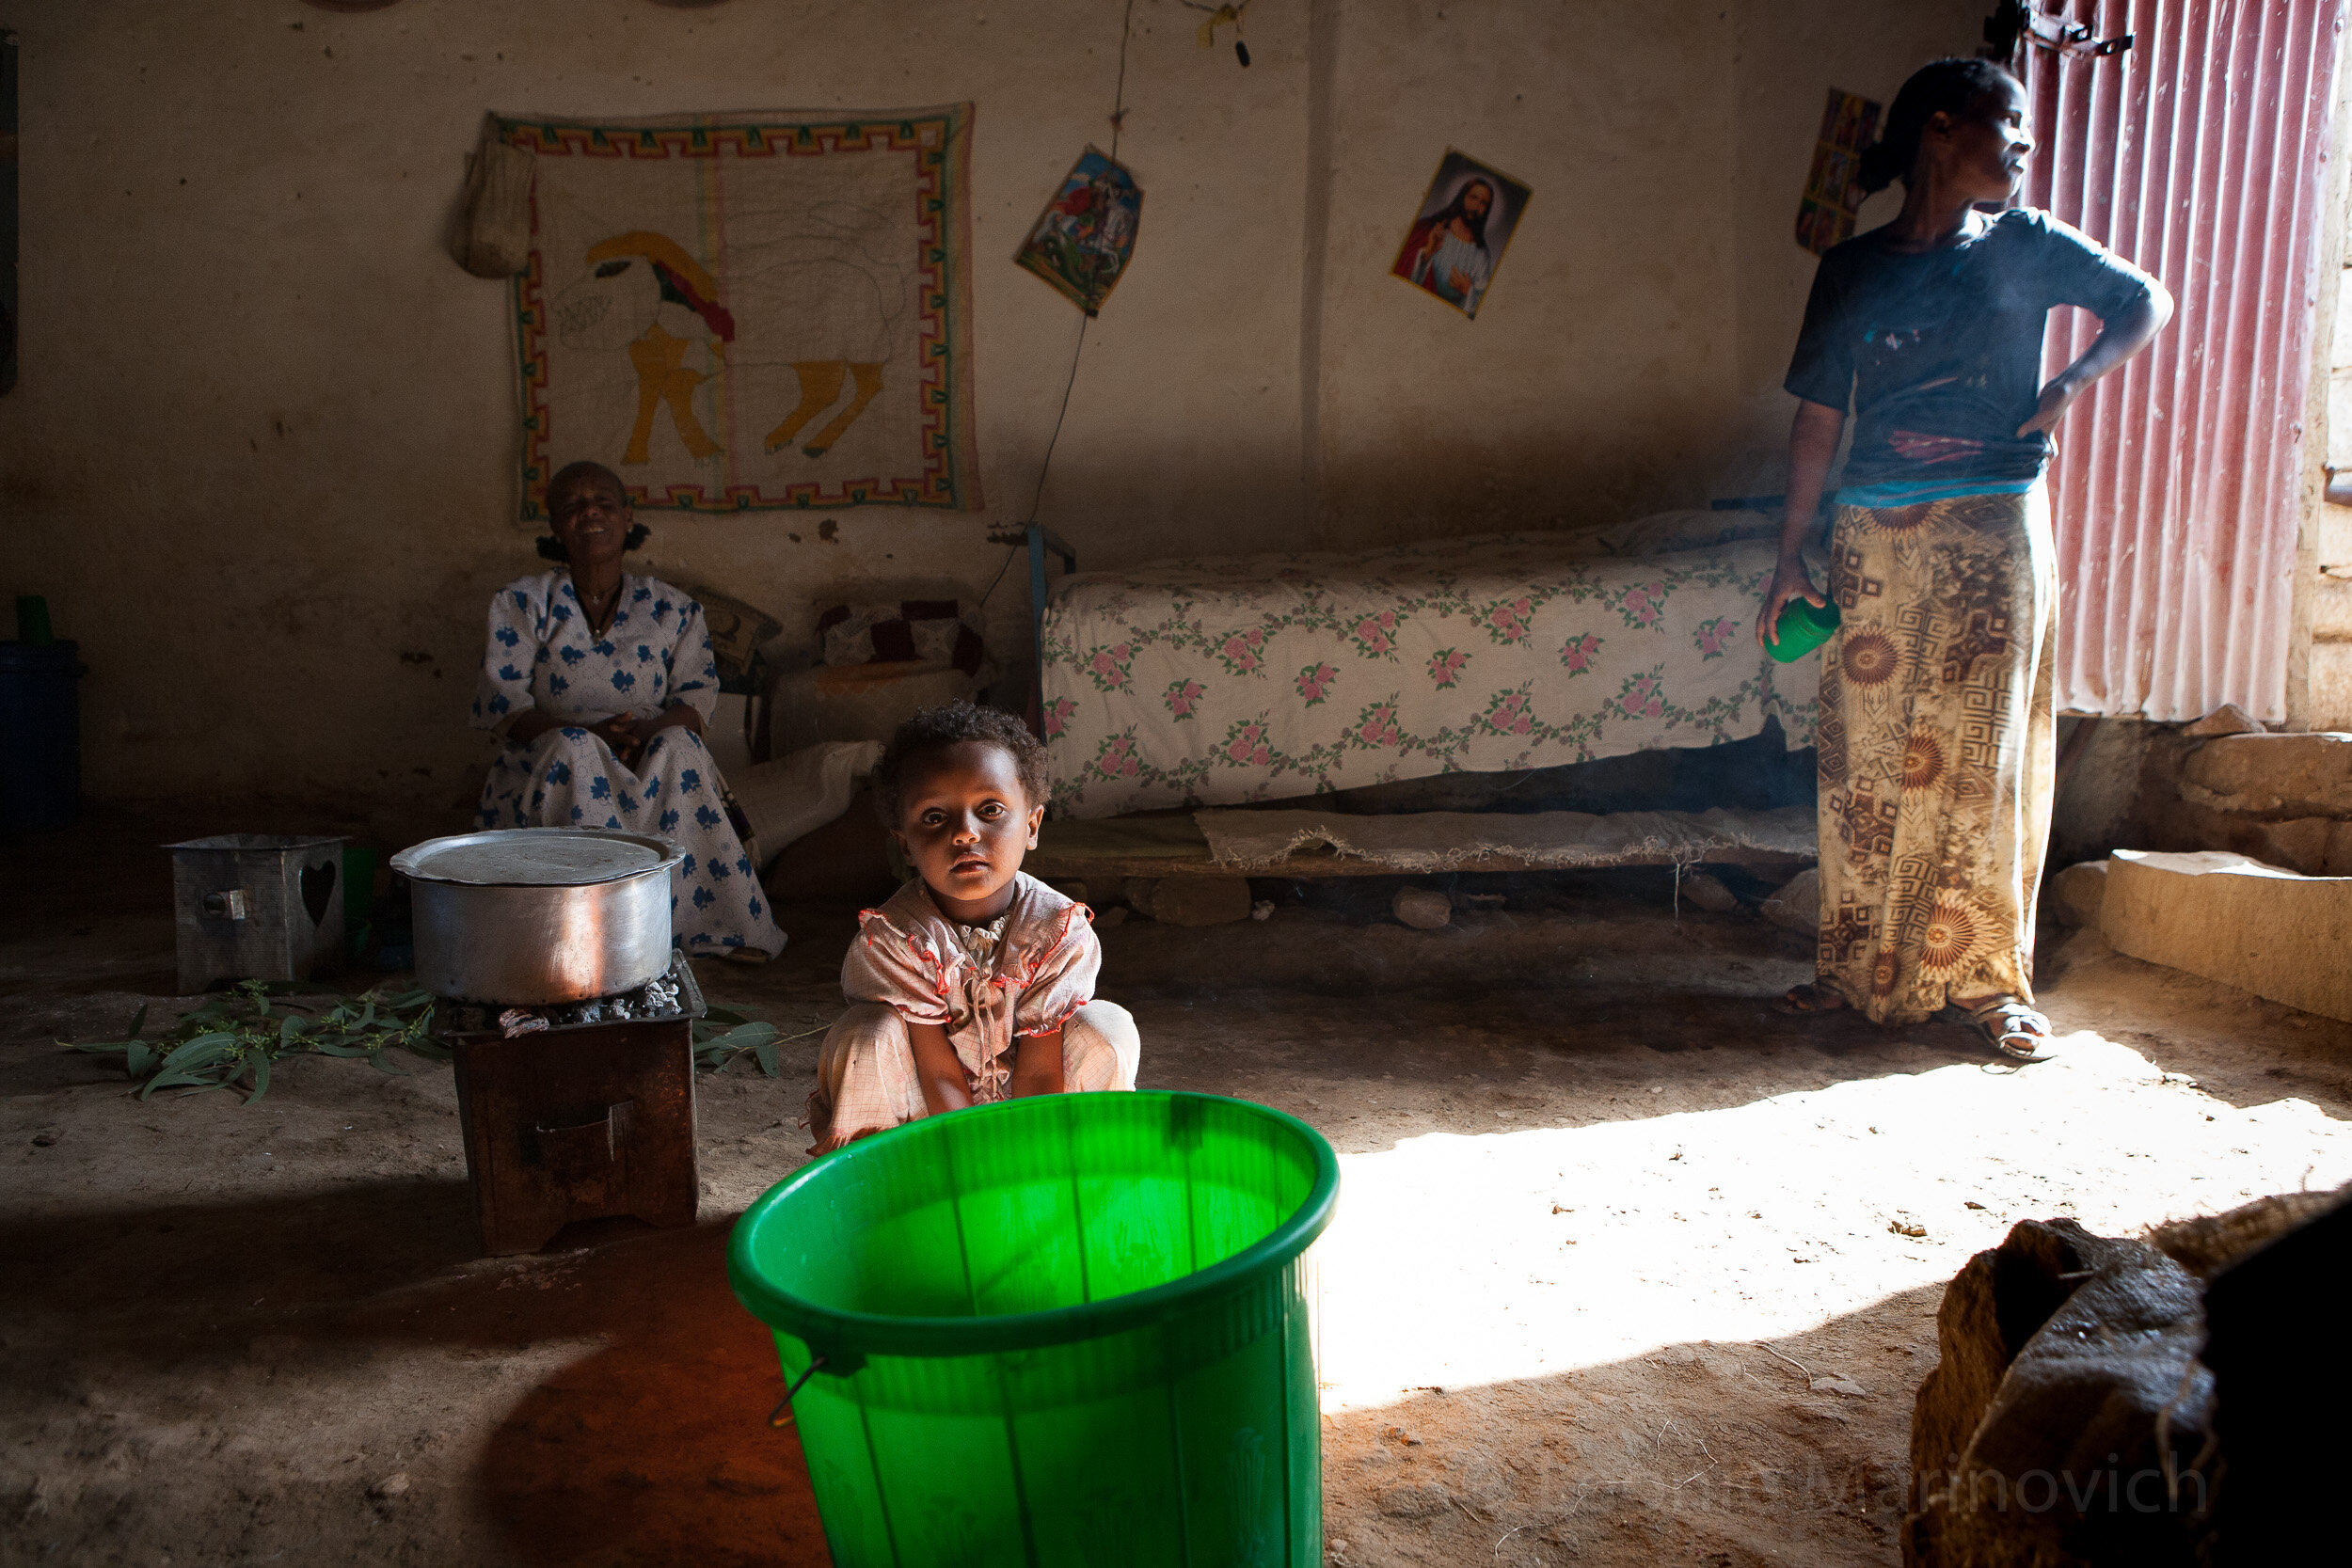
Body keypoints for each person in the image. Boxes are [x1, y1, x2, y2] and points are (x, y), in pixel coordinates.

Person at [1756, 57, 2171, 1058]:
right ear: (1942, 130)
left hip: (1994, 524)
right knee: (1867, 754)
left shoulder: (2025, 245)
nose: (2024, 151)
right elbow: (1819, 417)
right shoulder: (1852, 268)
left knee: (1982, 756)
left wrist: (2069, 384)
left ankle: (1988, 983)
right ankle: (1852, 968)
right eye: (2009, 130)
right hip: (1873, 530)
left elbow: (2142, 299)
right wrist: (1788, 554)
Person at [470, 459, 786, 960]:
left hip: (650, 754)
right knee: (575, 749)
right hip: (555, 756)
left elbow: (697, 703)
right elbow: (504, 705)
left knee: (681, 746)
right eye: (572, 506)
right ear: (554, 525)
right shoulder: (522, 602)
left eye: (603, 503)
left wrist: (645, 730)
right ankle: (588, 937)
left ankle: (711, 931)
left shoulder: (674, 608)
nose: (590, 513)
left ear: (627, 517)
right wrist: (589, 733)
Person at [806, 702, 1140, 1154]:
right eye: (934, 817)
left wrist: (1020, 1168)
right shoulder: (894, 939)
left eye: (990, 809)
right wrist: (972, 1162)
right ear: (904, 845)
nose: (965, 833)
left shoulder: (1059, 931)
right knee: (866, 1032)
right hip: (924, 1119)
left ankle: (1082, 1170)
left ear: (1032, 825)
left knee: (1107, 1027)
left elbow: (1042, 1074)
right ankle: (879, 1184)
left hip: (1037, 1111)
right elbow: (939, 1072)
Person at [1395, 176, 1496, 311]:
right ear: (1462, 197)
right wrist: (1427, 252)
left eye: (1483, 203)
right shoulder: (1431, 228)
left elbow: (1482, 306)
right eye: (1473, 197)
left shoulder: (1482, 255)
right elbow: (1400, 269)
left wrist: (1468, 291)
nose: (1476, 206)